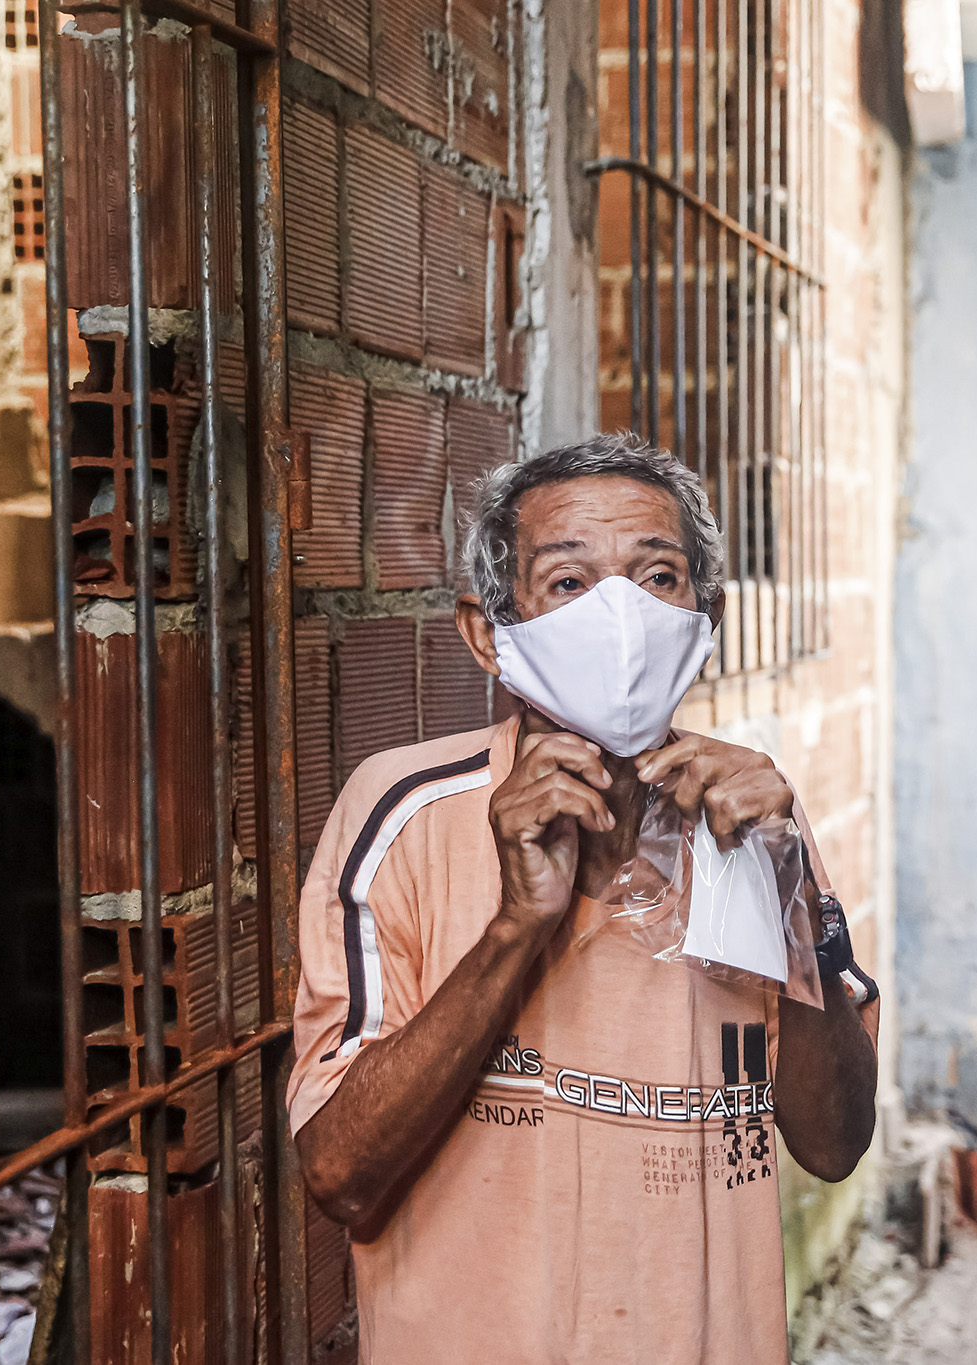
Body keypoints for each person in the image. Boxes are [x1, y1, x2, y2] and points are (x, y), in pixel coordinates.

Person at [285, 434, 879, 1363]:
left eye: (659, 577)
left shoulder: (752, 826)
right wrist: (517, 926)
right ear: (490, 630)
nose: (621, 616)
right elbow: (341, 1175)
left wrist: (787, 887)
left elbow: (835, 1142)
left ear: (704, 616)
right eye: (569, 583)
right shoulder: (404, 813)